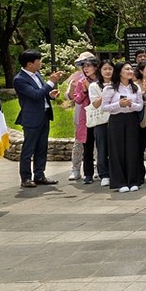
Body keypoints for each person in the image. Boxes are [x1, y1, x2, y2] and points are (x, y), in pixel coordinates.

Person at [13, 49, 66, 189]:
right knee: (29, 148)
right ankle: (25, 177)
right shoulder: (19, 79)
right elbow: (35, 95)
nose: (40, 63)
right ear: (29, 64)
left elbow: (42, 93)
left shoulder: (37, 75)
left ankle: (39, 175)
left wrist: (50, 94)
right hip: (31, 117)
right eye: (38, 61)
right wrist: (50, 82)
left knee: (42, 147)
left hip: (44, 114)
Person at [102, 61, 145, 192]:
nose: (130, 71)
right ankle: (120, 182)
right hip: (117, 120)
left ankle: (133, 180)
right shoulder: (110, 88)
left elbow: (140, 106)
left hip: (131, 119)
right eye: (127, 69)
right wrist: (118, 104)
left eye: (131, 69)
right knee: (117, 150)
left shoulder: (135, 88)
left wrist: (130, 104)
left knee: (132, 150)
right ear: (119, 71)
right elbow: (104, 107)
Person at [69, 57, 99, 185]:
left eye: (88, 66)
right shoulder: (81, 82)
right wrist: (85, 90)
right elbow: (77, 99)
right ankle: (88, 174)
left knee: (102, 146)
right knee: (87, 147)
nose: (86, 69)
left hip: (100, 116)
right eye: (84, 66)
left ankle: (102, 171)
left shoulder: (101, 81)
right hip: (87, 117)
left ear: (96, 67)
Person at [86, 60, 113, 186]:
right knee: (102, 148)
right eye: (105, 69)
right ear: (100, 71)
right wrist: (105, 93)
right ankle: (104, 174)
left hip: (116, 119)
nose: (108, 71)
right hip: (101, 121)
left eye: (110, 69)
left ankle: (115, 172)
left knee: (115, 148)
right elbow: (95, 104)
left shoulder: (118, 84)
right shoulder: (94, 86)